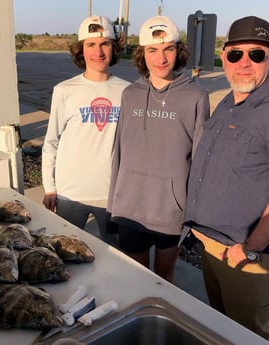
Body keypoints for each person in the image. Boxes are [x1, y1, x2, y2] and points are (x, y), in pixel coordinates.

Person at [181, 16, 269, 341]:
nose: (244, 63)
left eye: (256, 55)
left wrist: (249, 249)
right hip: (213, 246)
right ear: (224, 56)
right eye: (235, 54)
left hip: (245, 254)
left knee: (246, 336)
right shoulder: (230, 101)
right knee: (221, 329)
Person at [107, 15, 210, 282]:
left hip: (170, 211)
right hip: (130, 209)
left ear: (179, 51)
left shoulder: (197, 96)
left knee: (164, 278)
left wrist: (193, 214)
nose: (161, 58)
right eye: (153, 50)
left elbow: (200, 160)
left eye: (169, 49)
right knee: (136, 278)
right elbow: (119, 152)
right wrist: (113, 205)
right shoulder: (130, 94)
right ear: (142, 53)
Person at [42, 15, 130, 246]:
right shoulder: (64, 90)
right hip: (70, 193)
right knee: (66, 253)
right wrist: (50, 188)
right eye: (90, 44)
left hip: (110, 194)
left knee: (116, 259)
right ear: (81, 49)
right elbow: (51, 142)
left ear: (114, 48)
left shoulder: (128, 91)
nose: (98, 52)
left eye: (105, 44)